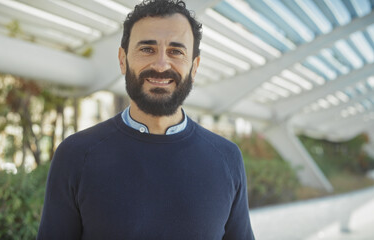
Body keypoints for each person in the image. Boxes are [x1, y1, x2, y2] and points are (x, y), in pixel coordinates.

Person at [37, 0, 254, 239]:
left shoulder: (227, 158)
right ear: (122, 60)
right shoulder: (76, 154)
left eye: (176, 51)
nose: (161, 64)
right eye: (147, 49)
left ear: (194, 67)